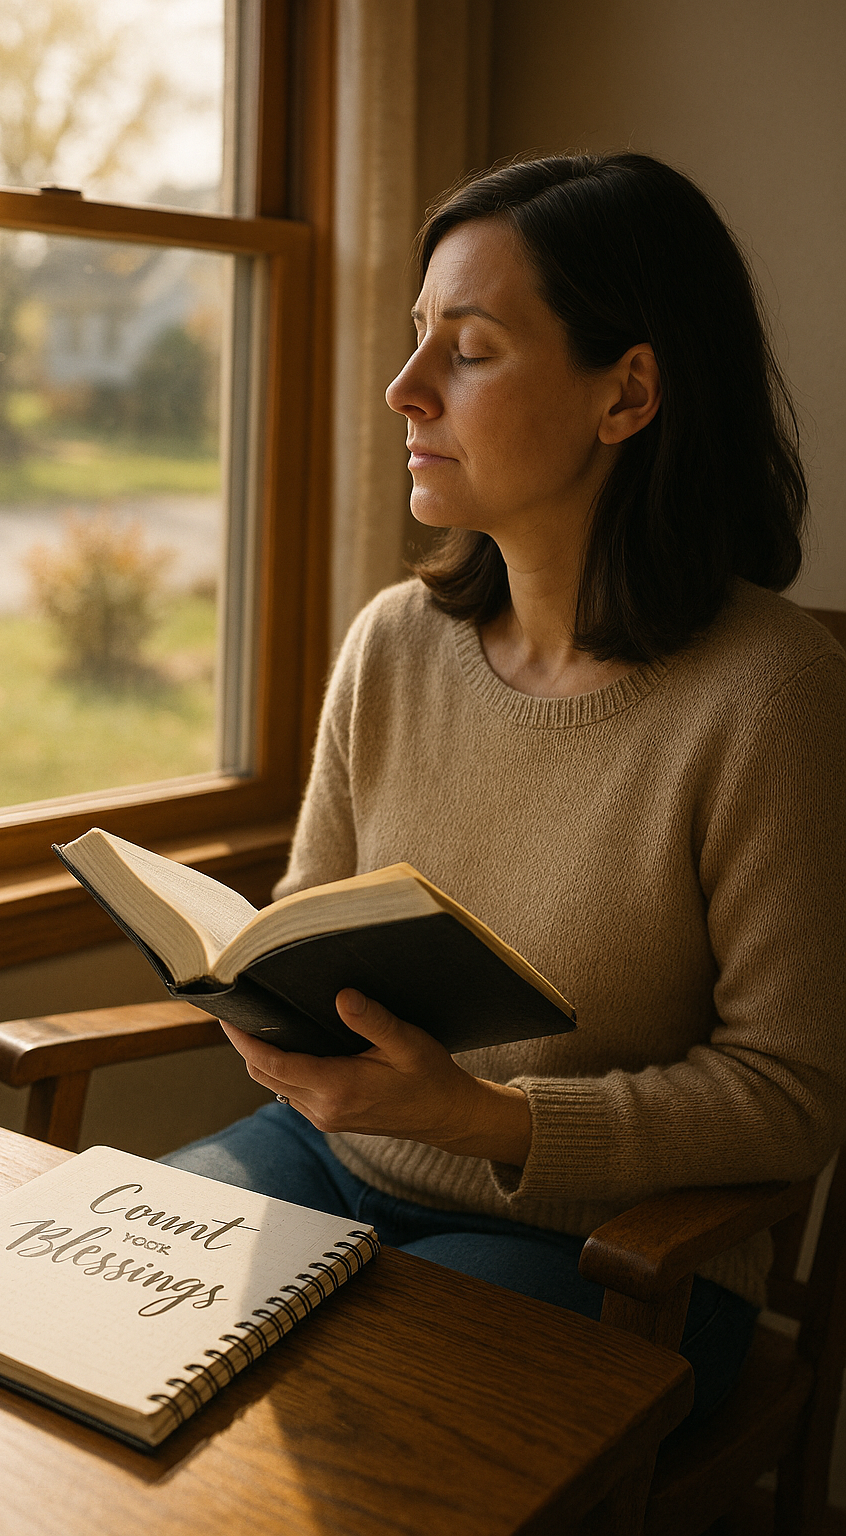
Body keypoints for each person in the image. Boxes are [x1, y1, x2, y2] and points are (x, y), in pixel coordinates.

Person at [164, 152, 846, 1425]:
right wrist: (257, 1005)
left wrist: (484, 1119)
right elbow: (305, 928)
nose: (404, 387)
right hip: (321, 1159)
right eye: (418, 335)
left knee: (336, 1435)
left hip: (614, 1251)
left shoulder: (771, 693)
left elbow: (789, 1097)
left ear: (625, 394)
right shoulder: (393, 641)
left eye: (468, 350)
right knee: (88, 1317)